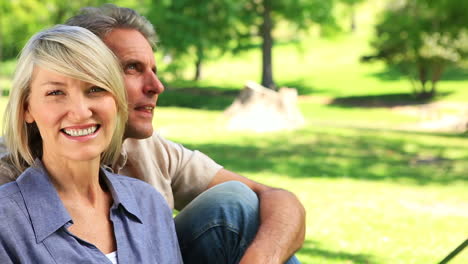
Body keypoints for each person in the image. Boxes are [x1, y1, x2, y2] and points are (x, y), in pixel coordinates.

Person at [0, 4, 306, 263]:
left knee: (235, 204)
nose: (157, 87)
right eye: (133, 67)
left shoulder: (151, 170)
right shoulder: (7, 195)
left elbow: (276, 198)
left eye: (95, 89)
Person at [0, 25, 182, 263]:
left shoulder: (150, 204)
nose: (80, 112)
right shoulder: (5, 221)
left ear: (116, 101)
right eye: (56, 92)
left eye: (95, 89)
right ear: (27, 108)